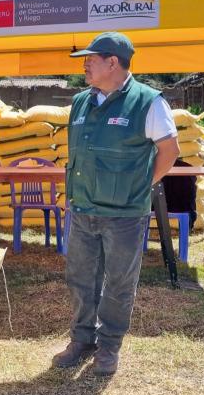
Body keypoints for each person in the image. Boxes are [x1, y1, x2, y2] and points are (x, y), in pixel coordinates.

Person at [53, 32, 180, 376]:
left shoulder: (148, 101)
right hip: (83, 209)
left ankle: (108, 345)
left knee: (119, 283)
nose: (84, 64)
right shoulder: (81, 101)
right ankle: (82, 339)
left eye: (91, 59)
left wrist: (139, 186)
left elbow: (170, 151)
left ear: (113, 62)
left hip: (124, 214)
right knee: (80, 278)